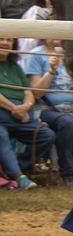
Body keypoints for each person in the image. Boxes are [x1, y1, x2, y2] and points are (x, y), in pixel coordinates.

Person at [23, 38, 73, 187]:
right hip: (44, 110)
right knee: (66, 121)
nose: (57, 36)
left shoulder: (70, 55)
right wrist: (52, 70)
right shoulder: (36, 54)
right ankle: (66, 173)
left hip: (71, 109)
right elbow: (36, 93)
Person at [0, 38, 54, 190]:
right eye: (1, 39)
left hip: (22, 114)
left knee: (46, 135)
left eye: (9, 41)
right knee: (1, 137)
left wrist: (26, 106)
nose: (5, 43)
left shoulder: (15, 67)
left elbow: (28, 91)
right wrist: (14, 108)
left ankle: (17, 168)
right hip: (3, 114)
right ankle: (19, 177)